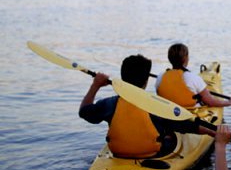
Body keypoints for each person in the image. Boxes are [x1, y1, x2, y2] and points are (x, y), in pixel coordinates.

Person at [79, 54, 215, 159]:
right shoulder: (158, 106)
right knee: (171, 133)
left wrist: (95, 85)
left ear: (122, 77)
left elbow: (84, 112)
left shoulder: (108, 104)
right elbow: (189, 126)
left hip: (119, 153)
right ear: (145, 81)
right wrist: (214, 132)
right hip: (152, 153)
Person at [155, 43, 231, 108]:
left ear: (169, 58)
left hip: (169, 112)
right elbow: (210, 102)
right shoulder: (193, 78)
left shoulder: (160, 77)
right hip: (190, 115)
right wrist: (230, 102)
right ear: (186, 58)